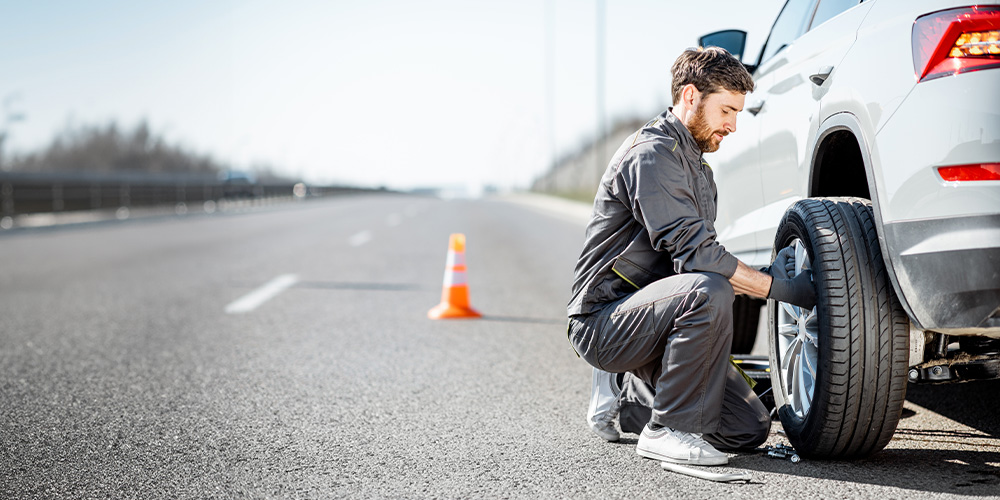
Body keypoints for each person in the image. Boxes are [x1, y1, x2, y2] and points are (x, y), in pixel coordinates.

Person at [567, 47, 816, 466]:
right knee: (707, 290)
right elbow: (699, 262)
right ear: (689, 97)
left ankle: (632, 398)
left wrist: (758, 275)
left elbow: (694, 259)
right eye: (726, 110)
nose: (733, 125)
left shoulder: (699, 170)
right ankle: (667, 430)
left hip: (653, 317)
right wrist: (778, 288)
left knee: (746, 428)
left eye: (738, 113)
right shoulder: (652, 155)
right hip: (603, 320)